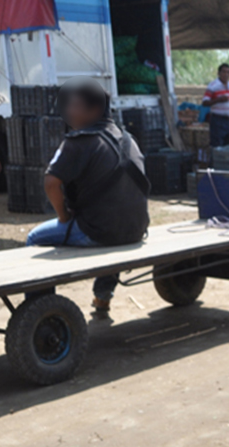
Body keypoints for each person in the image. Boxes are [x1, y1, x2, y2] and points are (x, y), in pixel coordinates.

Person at [28, 77, 151, 318]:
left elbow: (51, 182)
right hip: (136, 229)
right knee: (108, 228)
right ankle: (102, 299)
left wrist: (63, 217)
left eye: (75, 107)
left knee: (34, 238)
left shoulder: (80, 140)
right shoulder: (128, 139)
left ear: (94, 110)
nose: (69, 112)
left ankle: (42, 313)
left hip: (99, 231)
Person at [204, 63, 229, 147]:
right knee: (217, 145)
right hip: (218, 120)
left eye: (228, 72)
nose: (226, 74)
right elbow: (205, 102)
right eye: (224, 72)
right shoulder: (213, 86)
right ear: (219, 73)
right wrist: (218, 100)